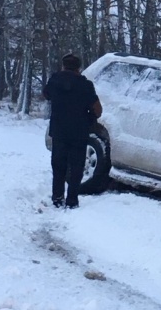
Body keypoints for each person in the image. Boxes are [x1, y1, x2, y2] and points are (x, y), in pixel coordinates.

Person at [43, 53, 102, 209]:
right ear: (79, 68)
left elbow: (46, 94)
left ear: (63, 66)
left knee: (58, 165)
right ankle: (72, 200)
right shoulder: (86, 85)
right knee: (76, 167)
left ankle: (57, 197)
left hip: (59, 130)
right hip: (79, 132)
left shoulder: (54, 80)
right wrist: (89, 118)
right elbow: (97, 110)